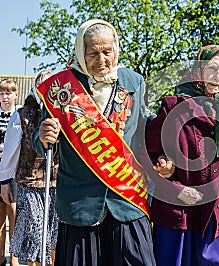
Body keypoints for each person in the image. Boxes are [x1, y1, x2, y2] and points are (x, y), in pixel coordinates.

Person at [31, 19, 155, 266]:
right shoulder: (61, 87)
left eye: (107, 51)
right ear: (80, 52)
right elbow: (41, 141)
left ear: (116, 49)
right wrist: (43, 137)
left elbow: (145, 132)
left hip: (127, 200)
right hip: (80, 204)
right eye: (93, 53)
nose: (102, 60)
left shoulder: (134, 82)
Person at [146, 45, 219, 266]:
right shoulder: (173, 106)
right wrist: (176, 189)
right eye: (212, 69)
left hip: (217, 213)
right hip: (178, 215)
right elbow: (149, 156)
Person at [0, 70, 57, 266]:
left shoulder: (61, 112)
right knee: (34, 237)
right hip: (29, 184)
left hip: (56, 185)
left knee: (53, 238)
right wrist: (5, 182)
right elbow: (9, 152)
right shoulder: (21, 115)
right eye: (41, 84)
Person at [0, 79, 20, 266]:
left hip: (13, 170)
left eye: (8, 93)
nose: (5, 97)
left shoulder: (19, 115)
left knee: (13, 212)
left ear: (16, 94)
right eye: (2, 93)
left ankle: (14, 258)